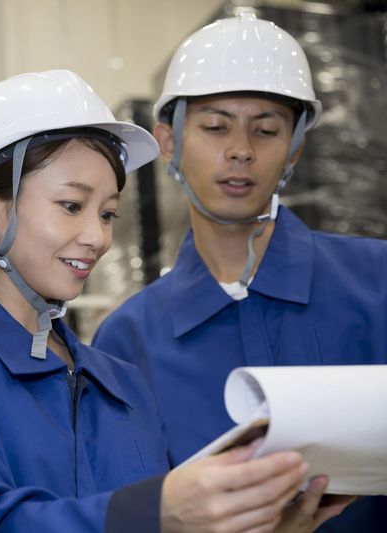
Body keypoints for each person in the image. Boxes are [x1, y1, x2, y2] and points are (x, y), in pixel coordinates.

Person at [0, 69, 346, 532]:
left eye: (107, 214)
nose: (97, 238)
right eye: (72, 205)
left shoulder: (120, 380)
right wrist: (156, 510)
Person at [92, 12, 386, 531]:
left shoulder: (376, 281)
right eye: (215, 126)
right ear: (167, 142)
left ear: (295, 147)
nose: (241, 151)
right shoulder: (128, 341)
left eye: (267, 130)